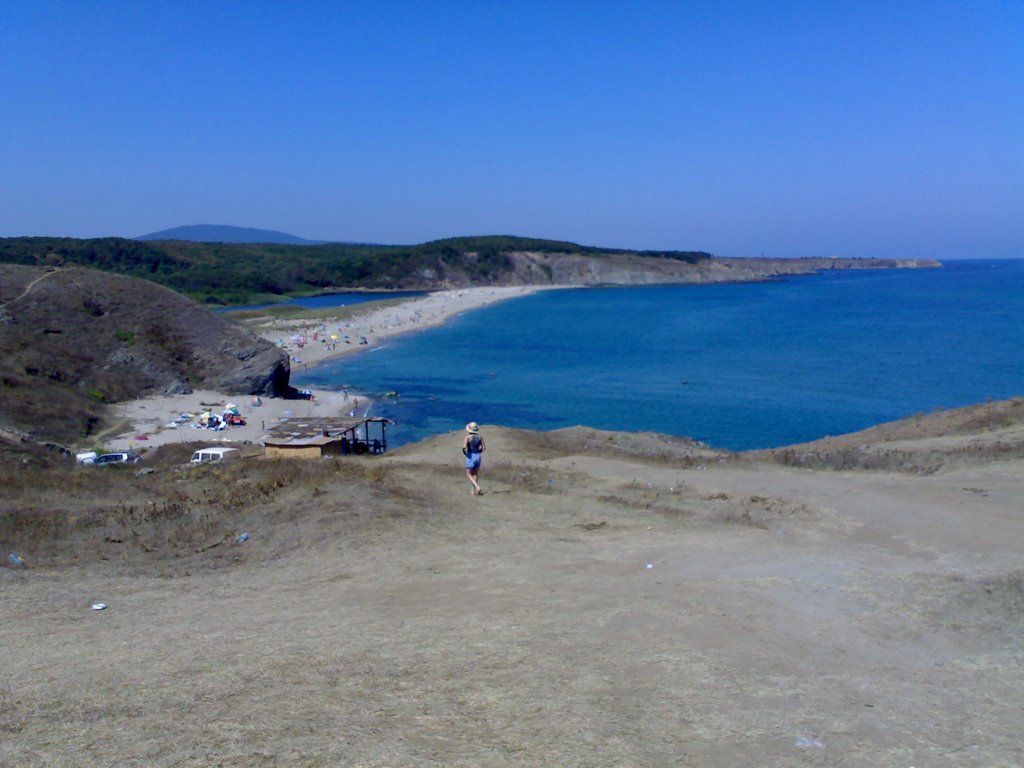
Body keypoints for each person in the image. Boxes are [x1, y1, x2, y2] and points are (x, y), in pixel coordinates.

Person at [462, 422, 485, 496]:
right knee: (475, 473)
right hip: (478, 455)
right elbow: (484, 447)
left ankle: (477, 487)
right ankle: (473, 491)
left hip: (471, 455)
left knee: (468, 473)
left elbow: (464, 447)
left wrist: (465, 453)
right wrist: (479, 451)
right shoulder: (480, 437)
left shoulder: (467, 437)